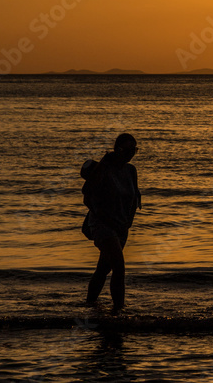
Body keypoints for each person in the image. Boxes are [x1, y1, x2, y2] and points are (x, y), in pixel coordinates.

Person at [82, 133, 142, 311]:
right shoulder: (104, 169)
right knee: (119, 266)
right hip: (102, 224)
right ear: (118, 149)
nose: (131, 154)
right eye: (128, 150)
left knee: (103, 269)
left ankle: (90, 304)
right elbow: (87, 196)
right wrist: (105, 218)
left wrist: (128, 222)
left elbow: (135, 197)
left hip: (122, 226)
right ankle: (119, 310)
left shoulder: (131, 171)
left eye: (134, 150)